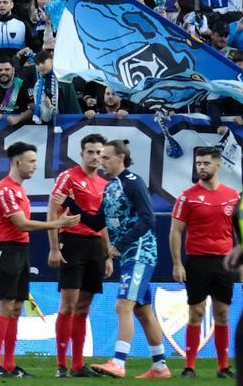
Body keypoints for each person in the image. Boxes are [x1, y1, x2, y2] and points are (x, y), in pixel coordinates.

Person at [59, 140, 169, 379]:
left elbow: (148, 219)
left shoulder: (133, 182)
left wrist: (120, 244)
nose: (101, 161)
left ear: (120, 158)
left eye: (106, 157)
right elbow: (97, 223)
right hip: (129, 254)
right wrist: (70, 203)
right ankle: (160, 366)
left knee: (123, 305)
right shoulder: (110, 187)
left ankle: (119, 363)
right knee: (143, 311)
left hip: (140, 251)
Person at [0, 141, 80, 377]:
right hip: (6, 249)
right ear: (17, 161)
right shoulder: (6, 189)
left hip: (20, 249)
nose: (35, 166)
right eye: (31, 161)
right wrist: (58, 223)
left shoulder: (18, 189)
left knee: (17, 307)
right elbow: (22, 224)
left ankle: (9, 365)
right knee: (6, 305)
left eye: (35, 161)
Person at [169, 146, 239, 378]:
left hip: (225, 262)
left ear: (218, 165)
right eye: (198, 163)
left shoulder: (232, 196)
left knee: (222, 314)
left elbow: (241, 230)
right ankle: (189, 367)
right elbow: (175, 231)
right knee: (196, 313)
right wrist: (177, 263)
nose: (201, 167)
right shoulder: (187, 196)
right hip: (197, 262)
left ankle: (223, 368)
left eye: (206, 163)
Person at [48, 133, 113, 377]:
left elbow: (102, 223)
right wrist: (54, 247)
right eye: (91, 152)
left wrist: (108, 254)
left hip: (95, 246)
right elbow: (52, 212)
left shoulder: (104, 184)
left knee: (84, 307)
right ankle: (61, 365)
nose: (95, 157)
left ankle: (77, 365)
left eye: (99, 153)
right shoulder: (68, 177)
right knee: (68, 305)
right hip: (72, 243)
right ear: (81, 154)